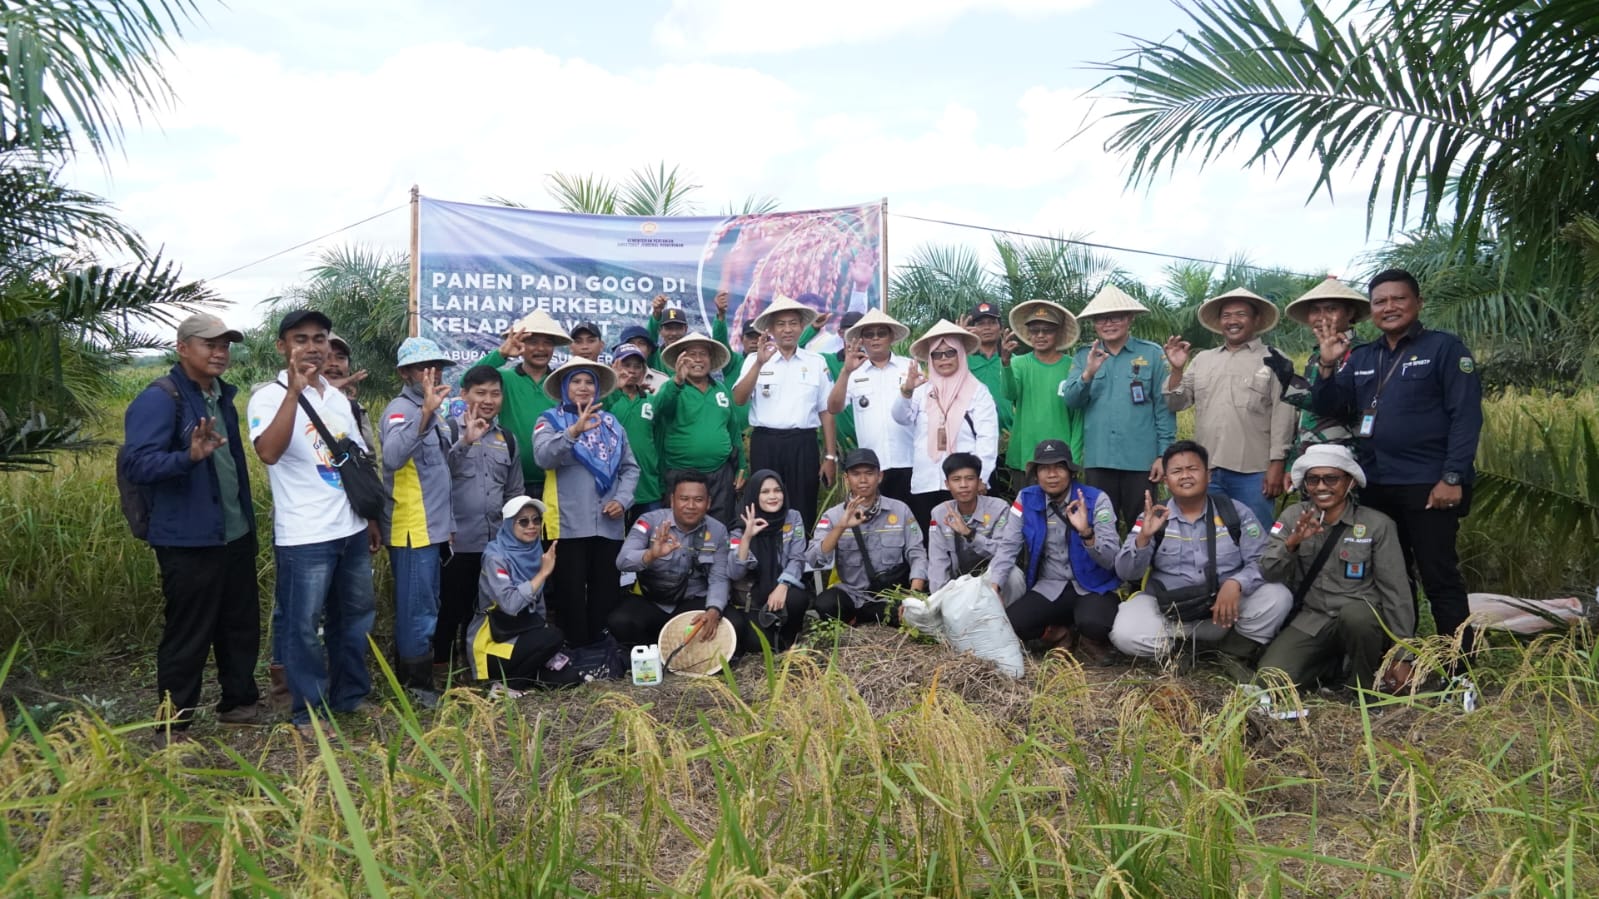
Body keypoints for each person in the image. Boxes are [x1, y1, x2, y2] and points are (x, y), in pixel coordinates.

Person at [1311, 267, 1484, 652]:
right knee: (1389, 576)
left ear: (1418, 303)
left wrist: (1452, 477)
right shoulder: (1363, 356)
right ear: (1372, 310)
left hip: (1428, 484)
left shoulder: (1444, 349)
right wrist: (1326, 364)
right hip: (1376, 486)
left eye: (1398, 299)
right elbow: (1332, 407)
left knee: (1439, 576)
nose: (1389, 307)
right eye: (1380, 302)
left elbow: (1466, 416)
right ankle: (1398, 659)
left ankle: (1459, 666)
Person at [122, 313, 265, 737]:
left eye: (225, 344)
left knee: (238, 625)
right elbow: (137, 463)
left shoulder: (220, 396)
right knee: (189, 633)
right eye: (209, 344)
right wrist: (188, 457)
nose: (220, 352)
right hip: (188, 538)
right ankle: (173, 724)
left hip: (233, 532)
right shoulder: (160, 398)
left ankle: (238, 704)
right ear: (183, 348)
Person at [247, 309, 379, 737]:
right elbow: (268, 452)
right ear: (282, 346)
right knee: (304, 628)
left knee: (354, 619)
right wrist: (293, 394)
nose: (312, 347)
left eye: (319, 339)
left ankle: (351, 696)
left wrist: (371, 518)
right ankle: (308, 711)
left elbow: (357, 460)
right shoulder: (267, 397)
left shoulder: (337, 398)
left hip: (352, 529)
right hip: (305, 535)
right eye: (300, 339)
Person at [1109, 441, 1292, 671]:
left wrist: (1237, 583)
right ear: (1166, 480)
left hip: (1223, 612)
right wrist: (1143, 538)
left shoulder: (1235, 512)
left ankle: (1233, 651)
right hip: (1169, 612)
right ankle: (1176, 652)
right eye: (1176, 471)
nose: (1185, 476)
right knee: (1125, 633)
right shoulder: (1154, 516)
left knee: (1277, 597)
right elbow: (1126, 572)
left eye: (1192, 469)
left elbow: (1262, 561)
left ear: (1208, 475)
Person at [1256, 445, 1414, 692]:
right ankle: (1335, 667)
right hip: (1313, 619)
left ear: (1349, 482)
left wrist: (1403, 655)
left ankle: (1360, 686)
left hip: (1361, 621)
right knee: (1270, 680)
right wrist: (1292, 543)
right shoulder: (1292, 517)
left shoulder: (1377, 525)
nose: (1321, 487)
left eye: (1331, 478)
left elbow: (1396, 592)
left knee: (1357, 617)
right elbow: (1268, 572)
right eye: (1313, 479)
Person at [1162, 287, 1294, 530]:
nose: (1233, 321)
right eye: (1226, 315)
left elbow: (1284, 415)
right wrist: (1177, 370)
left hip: (1254, 472)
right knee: (1209, 537)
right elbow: (1175, 402)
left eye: (1241, 314)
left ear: (1256, 320)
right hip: (1206, 470)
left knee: (1256, 536)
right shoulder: (1203, 360)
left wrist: (1277, 465)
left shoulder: (1276, 359)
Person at [532, 358, 640, 646]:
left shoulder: (611, 423)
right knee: (570, 593)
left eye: (589, 381)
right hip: (567, 522)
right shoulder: (549, 420)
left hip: (609, 523)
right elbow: (542, 457)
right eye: (576, 382)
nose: (583, 387)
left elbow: (630, 468)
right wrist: (573, 432)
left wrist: (622, 499)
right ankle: (575, 653)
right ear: (565, 387)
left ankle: (601, 652)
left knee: (606, 590)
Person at [986, 440, 1121, 653]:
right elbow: (1008, 545)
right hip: (1050, 585)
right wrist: (994, 586)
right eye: (1044, 468)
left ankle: (1090, 638)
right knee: (1013, 622)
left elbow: (1112, 558)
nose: (1052, 474)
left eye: (1059, 467)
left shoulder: (1096, 499)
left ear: (1070, 472)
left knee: (1096, 623)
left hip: (1092, 585)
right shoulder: (1026, 498)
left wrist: (1087, 533)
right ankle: (1061, 633)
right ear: (1036, 474)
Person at [379, 337, 457, 706]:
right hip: (412, 527)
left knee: (425, 604)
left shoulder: (433, 411)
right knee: (418, 608)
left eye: (437, 367)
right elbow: (393, 457)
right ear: (404, 373)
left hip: (432, 526)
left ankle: (415, 680)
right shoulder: (402, 409)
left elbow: (437, 469)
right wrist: (425, 413)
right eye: (425, 368)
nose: (433, 373)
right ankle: (417, 689)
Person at [1063, 284, 1176, 531]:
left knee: (1143, 526)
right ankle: (1105, 570)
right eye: (1101, 318)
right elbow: (1071, 400)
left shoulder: (1152, 354)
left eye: (1116, 317)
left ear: (1129, 318)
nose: (1109, 323)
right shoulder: (1084, 355)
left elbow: (1164, 407)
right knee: (1101, 526)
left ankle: (1144, 570)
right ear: (1094, 323)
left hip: (1141, 461)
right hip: (1099, 459)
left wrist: (1163, 454)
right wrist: (1088, 374)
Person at [440, 364, 525, 673]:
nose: (488, 400)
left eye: (495, 393)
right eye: (480, 393)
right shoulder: (446, 430)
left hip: (495, 546)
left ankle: (479, 665)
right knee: (451, 608)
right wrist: (464, 443)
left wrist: (513, 539)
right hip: (457, 542)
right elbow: (436, 477)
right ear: (464, 394)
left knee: (488, 608)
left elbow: (514, 493)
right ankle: (443, 669)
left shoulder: (508, 439)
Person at [732, 295, 839, 533]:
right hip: (766, 443)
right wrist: (759, 364)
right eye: (780, 324)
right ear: (770, 329)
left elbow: (826, 411)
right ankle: (767, 566)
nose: (787, 329)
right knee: (765, 506)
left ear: (802, 326)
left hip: (804, 444)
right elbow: (739, 399)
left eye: (793, 323)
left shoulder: (816, 362)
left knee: (803, 508)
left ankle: (802, 568)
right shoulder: (754, 359)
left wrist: (830, 457)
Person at [609, 470, 739, 649]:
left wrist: (714, 610)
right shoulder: (649, 521)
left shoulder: (718, 530)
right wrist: (651, 554)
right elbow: (622, 561)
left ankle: (682, 647)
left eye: (698, 500)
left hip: (692, 603)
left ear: (708, 503)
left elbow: (719, 577)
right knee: (621, 622)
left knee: (734, 624)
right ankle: (657, 651)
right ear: (672, 500)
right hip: (653, 600)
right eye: (684, 499)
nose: (691, 505)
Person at [894, 319, 999, 530]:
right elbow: (901, 417)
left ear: (960, 353)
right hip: (927, 480)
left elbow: (988, 438)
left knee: (966, 542)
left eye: (950, 352)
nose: (944, 359)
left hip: (964, 484)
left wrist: (982, 477)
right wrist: (906, 391)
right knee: (930, 539)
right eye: (937, 354)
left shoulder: (978, 391)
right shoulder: (922, 390)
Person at [1267, 276, 1370, 489]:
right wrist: (1293, 463)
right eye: (1315, 310)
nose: (1322, 317)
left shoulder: (1361, 353)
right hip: (1310, 457)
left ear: (1350, 313)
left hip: (1342, 461)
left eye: (1331, 309)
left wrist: (1291, 384)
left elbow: (1337, 406)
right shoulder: (1315, 355)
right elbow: (1308, 417)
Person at [466, 497, 577, 693]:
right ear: (508, 524)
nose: (531, 526)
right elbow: (510, 604)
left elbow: (538, 607)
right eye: (523, 521)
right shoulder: (495, 557)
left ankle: (520, 676)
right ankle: (507, 687)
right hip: (494, 641)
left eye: (536, 520)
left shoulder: (534, 551)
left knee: (567, 678)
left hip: (523, 634)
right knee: (554, 636)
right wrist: (543, 573)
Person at [808, 449, 928, 624]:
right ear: (846, 479)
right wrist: (840, 527)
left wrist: (914, 596)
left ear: (879, 476)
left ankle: (865, 618)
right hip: (852, 593)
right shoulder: (832, 516)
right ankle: (866, 616)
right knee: (826, 604)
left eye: (869, 474)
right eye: (856, 474)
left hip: (890, 596)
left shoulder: (900, 510)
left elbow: (917, 554)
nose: (863, 480)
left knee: (911, 614)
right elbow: (814, 560)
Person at [468, 310, 571, 497]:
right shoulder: (505, 379)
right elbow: (469, 381)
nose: (540, 348)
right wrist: (502, 353)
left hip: (557, 482)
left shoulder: (562, 382)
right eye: (533, 342)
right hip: (510, 481)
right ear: (521, 345)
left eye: (547, 342)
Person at [828, 309, 915, 505]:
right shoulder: (853, 372)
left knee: (912, 526)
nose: (875, 339)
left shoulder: (909, 367)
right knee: (876, 527)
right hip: (873, 467)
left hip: (909, 460)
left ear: (891, 337)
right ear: (861, 340)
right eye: (869, 334)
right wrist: (845, 371)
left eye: (881, 333)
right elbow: (833, 408)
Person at [657, 332, 743, 526]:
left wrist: (742, 467)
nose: (697, 359)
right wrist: (677, 381)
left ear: (711, 360)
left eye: (703, 354)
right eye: (691, 354)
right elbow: (659, 410)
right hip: (681, 473)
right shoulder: (671, 387)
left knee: (719, 530)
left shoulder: (720, 389)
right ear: (680, 359)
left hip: (720, 474)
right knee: (680, 531)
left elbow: (733, 430)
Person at [728, 470, 814, 652]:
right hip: (753, 599)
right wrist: (747, 538)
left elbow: (798, 557)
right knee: (758, 645)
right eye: (765, 492)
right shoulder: (740, 527)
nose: (773, 496)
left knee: (797, 598)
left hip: (783, 590)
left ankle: (791, 639)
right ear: (753, 495)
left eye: (777, 490)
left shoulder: (793, 517)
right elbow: (735, 573)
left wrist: (783, 585)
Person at [1003, 300, 1082, 488]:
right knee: (1028, 513)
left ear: (1058, 332)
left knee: (1062, 514)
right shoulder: (1019, 363)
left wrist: (1075, 458)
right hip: (1026, 455)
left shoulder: (1073, 366)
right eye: (1034, 330)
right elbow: (1009, 393)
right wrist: (1005, 363)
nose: (1040, 335)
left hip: (1061, 460)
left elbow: (1078, 417)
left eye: (1047, 330)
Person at [927, 453, 1019, 599]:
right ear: (947, 484)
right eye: (956, 479)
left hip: (992, 578)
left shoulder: (999, 508)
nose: (963, 485)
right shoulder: (939, 513)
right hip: (958, 584)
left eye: (970, 478)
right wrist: (940, 599)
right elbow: (937, 562)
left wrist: (970, 534)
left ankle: (1009, 617)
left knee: (1013, 574)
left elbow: (1004, 552)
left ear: (979, 482)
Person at [605, 344, 663, 526]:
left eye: (637, 366)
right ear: (614, 366)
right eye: (626, 365)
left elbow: (659, 442)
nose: (631, 371)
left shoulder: (652, 401)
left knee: (649, 541)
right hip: (613, 487)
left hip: (648, 486)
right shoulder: (606, 399)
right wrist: (612, 386)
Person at [959, 301, 1014, 444]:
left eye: (992, 322)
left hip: (1010, 437)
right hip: (972, 437)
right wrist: (958, 341)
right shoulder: (963, 362)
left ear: (1001, 329)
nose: (987, 328)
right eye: (980, 324)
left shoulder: (1014, 362)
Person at [324, 332, 372, 446]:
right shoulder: (297, 402)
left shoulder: (355, 408)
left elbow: (369, 457)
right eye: (326, 357)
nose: (334, 363)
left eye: (340, 358)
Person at [618, 324, 671, 392]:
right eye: (631, 343)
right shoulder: (610, 381)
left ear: (649, 350)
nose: (636, 347)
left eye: (641, 343)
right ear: (621, 349)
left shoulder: (663, 381)